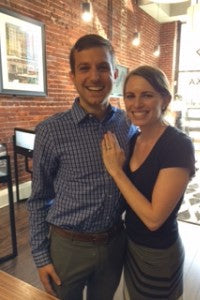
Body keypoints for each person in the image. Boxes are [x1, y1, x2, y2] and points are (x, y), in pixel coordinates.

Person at [27, 34, 136, 300]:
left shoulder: (127, 124)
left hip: (113, 244)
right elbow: (39, 198)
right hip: (68, 247)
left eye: (102, 67)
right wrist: (42, 258)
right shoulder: (51, 131)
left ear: (114, 73)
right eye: (84, 68)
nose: (94, 77)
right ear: (72, 76)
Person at [101, 65, 196, 300]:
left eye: (147, 95)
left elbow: (154, 219)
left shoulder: (177, 145)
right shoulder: (135, 139)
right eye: (130, 96)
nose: (136, 104)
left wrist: (117, 171)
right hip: (131, 246)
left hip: (159, 254)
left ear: (164, 99)